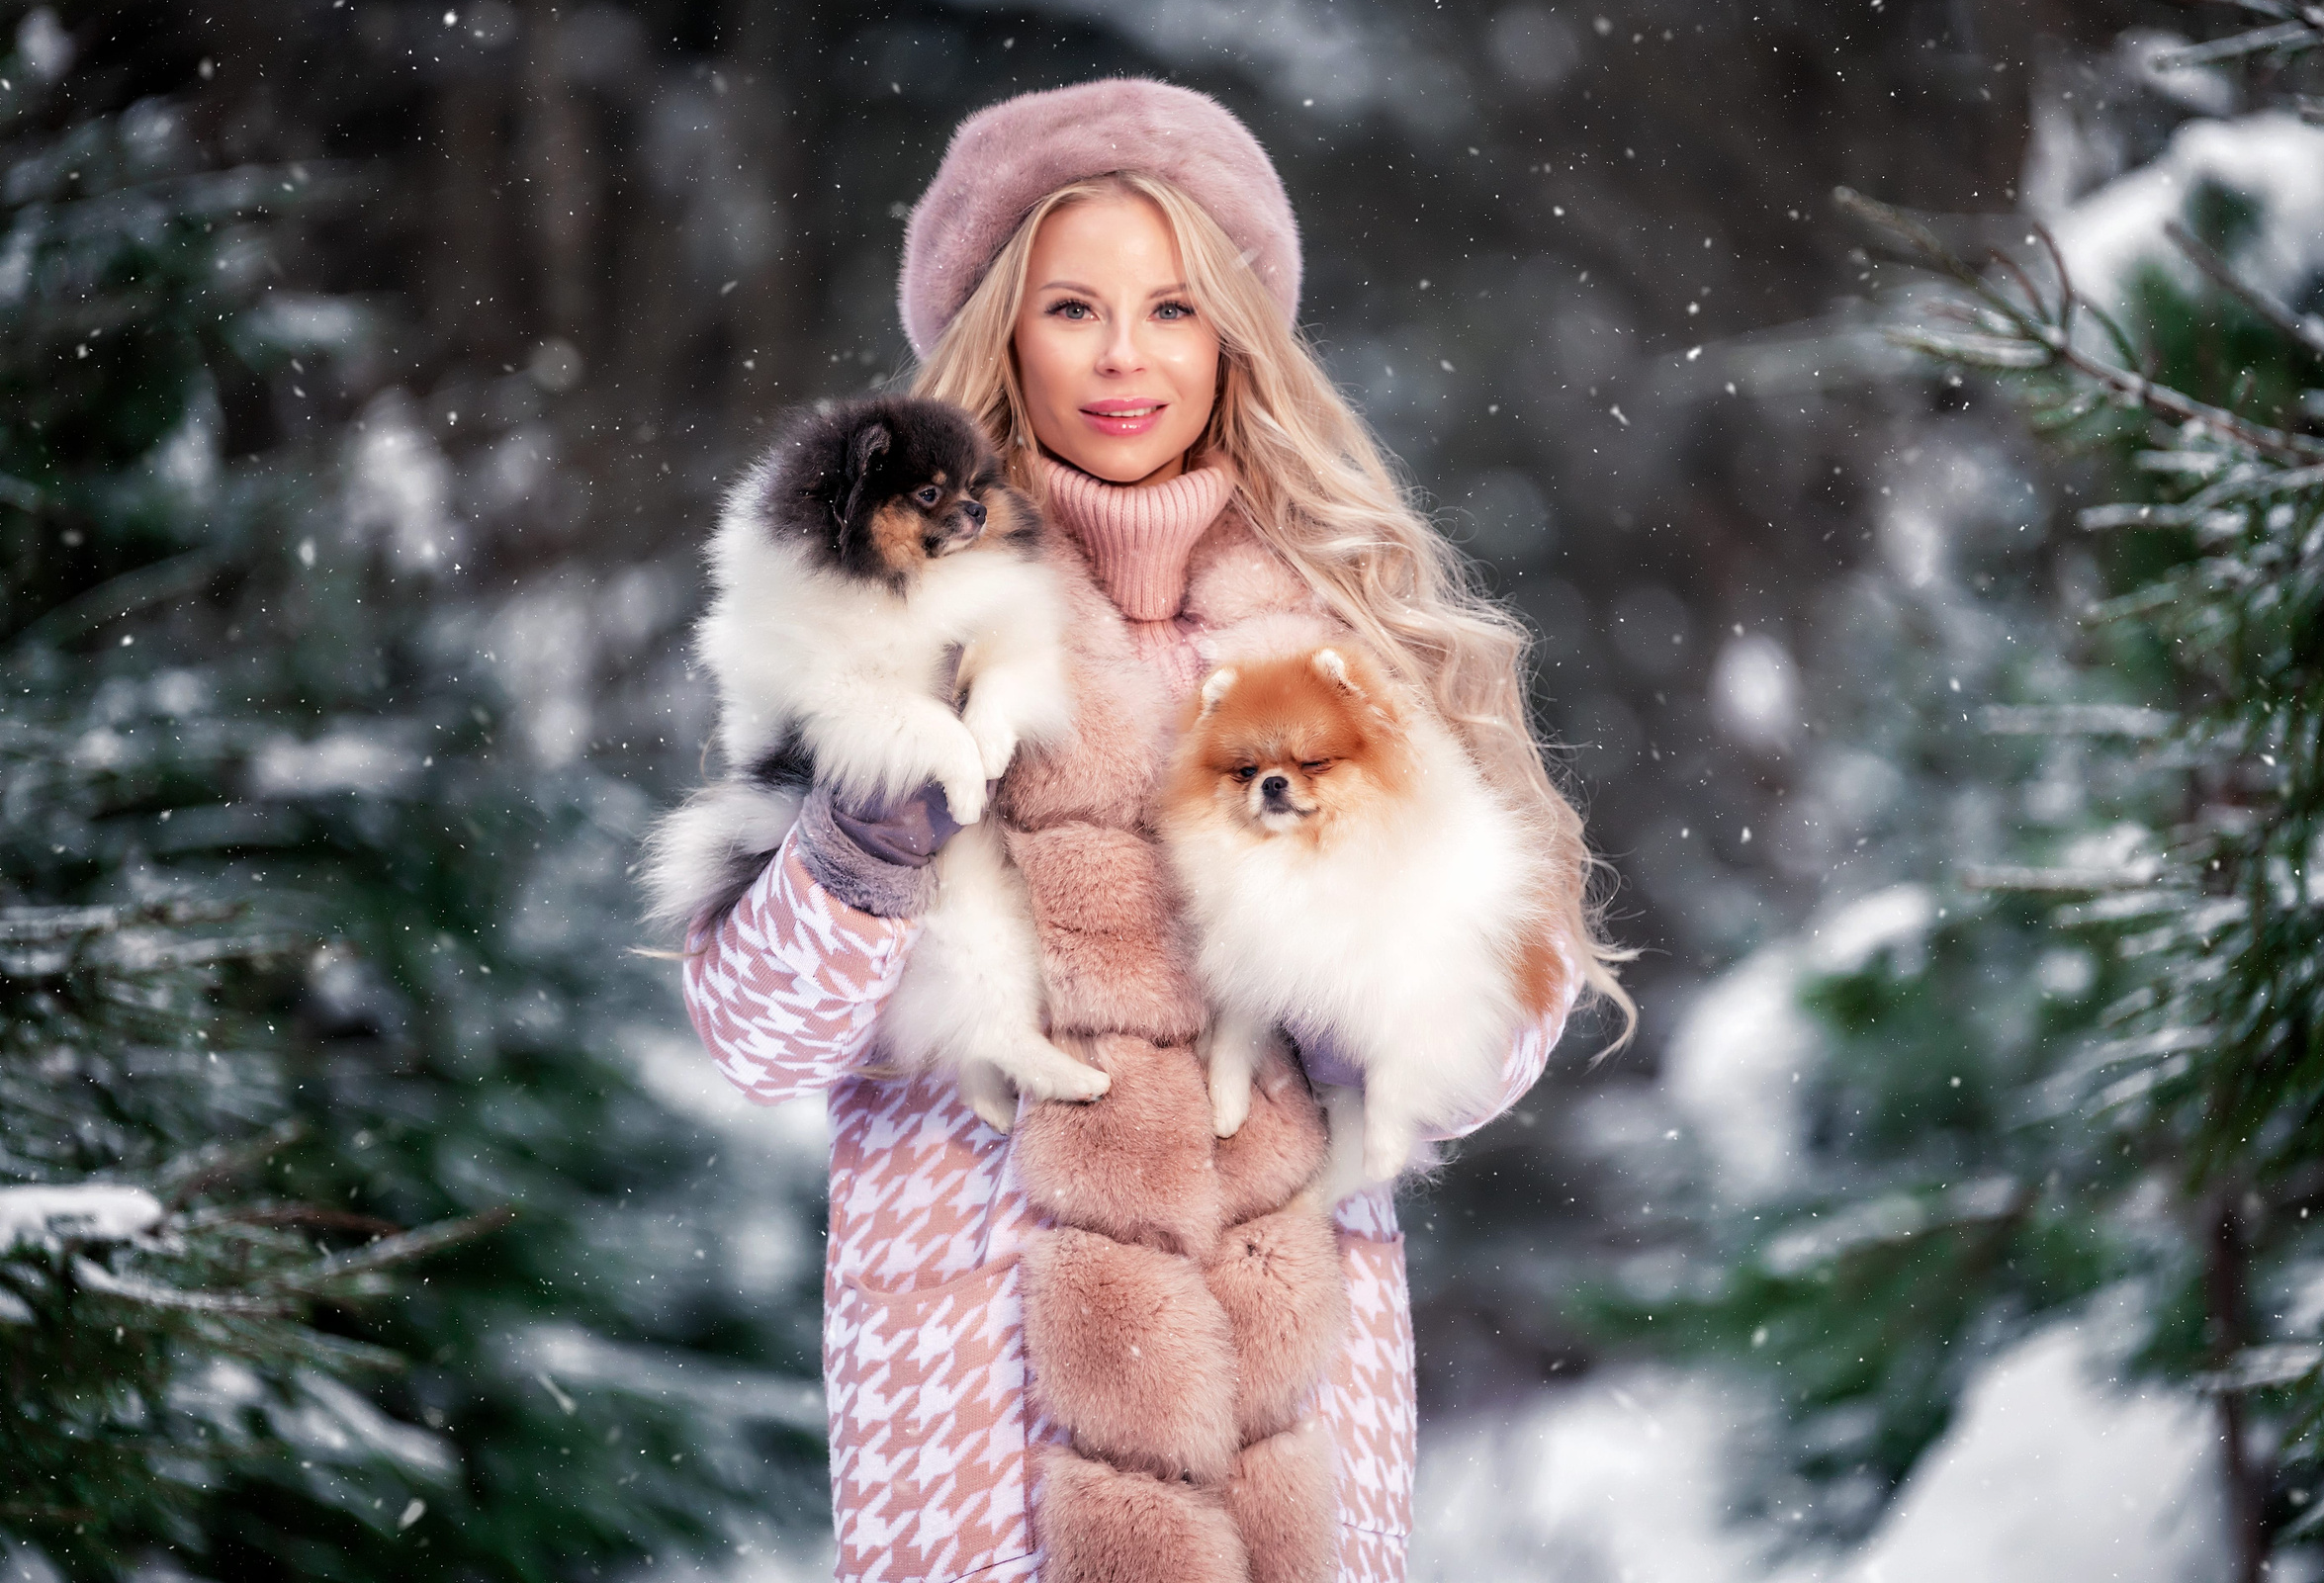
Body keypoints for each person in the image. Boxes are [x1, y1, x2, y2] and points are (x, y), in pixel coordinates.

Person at [678, 77, 1630, 1583]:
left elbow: (1509, 1024)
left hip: (1294, 1407)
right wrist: (860, 851)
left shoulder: (1349, 632)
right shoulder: (873, 622)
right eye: (1074, 307)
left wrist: (1368, 1006)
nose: (1126, 354)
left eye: (1175, 307)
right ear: (1005, 330)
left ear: (1232, 335)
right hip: (988, 1399)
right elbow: (756, 1037)